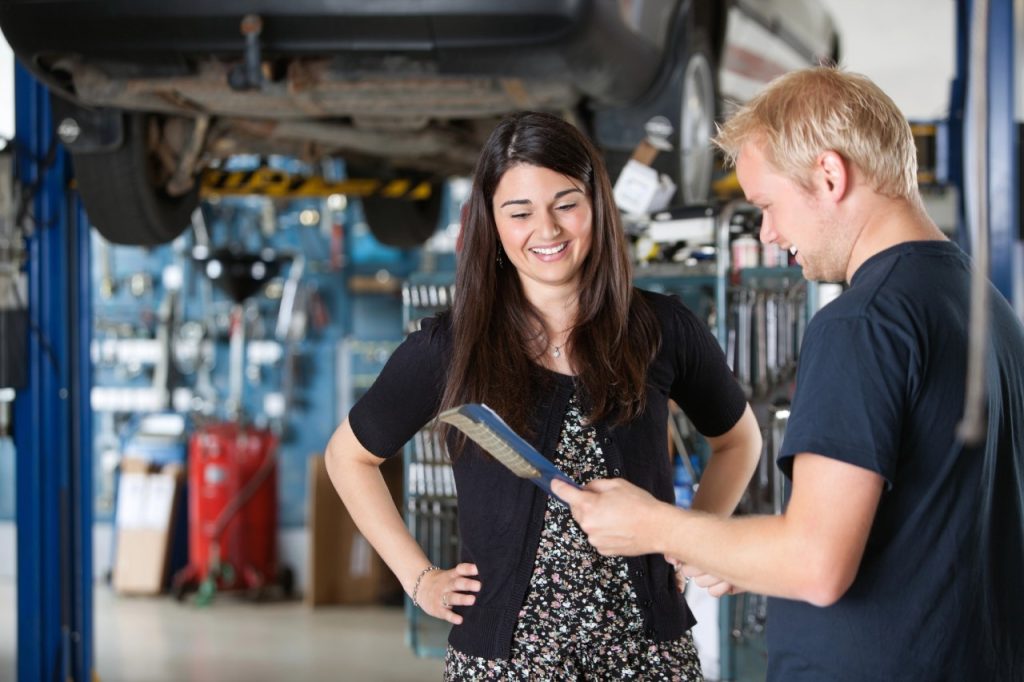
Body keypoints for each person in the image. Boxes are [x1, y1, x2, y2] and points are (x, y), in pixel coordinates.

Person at [553, 66, 1024, 681]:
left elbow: (816, 563)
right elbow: (918, 527)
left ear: (829, 176)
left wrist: (650, 524)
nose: (771, 234)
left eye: (768, 205)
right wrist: (733, 551)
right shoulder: (981, 302)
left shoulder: (863, 322)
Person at [325, 110, 762, 680]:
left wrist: (695, 541)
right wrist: (419, 579)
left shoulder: (661, 327)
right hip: (504, 662)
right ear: (493, 223)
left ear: (597, 206)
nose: (547, 230)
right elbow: (349, 456)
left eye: (565, 203)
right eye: (520, 211)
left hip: (648, 656)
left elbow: (739, 440)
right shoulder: (450, 346)